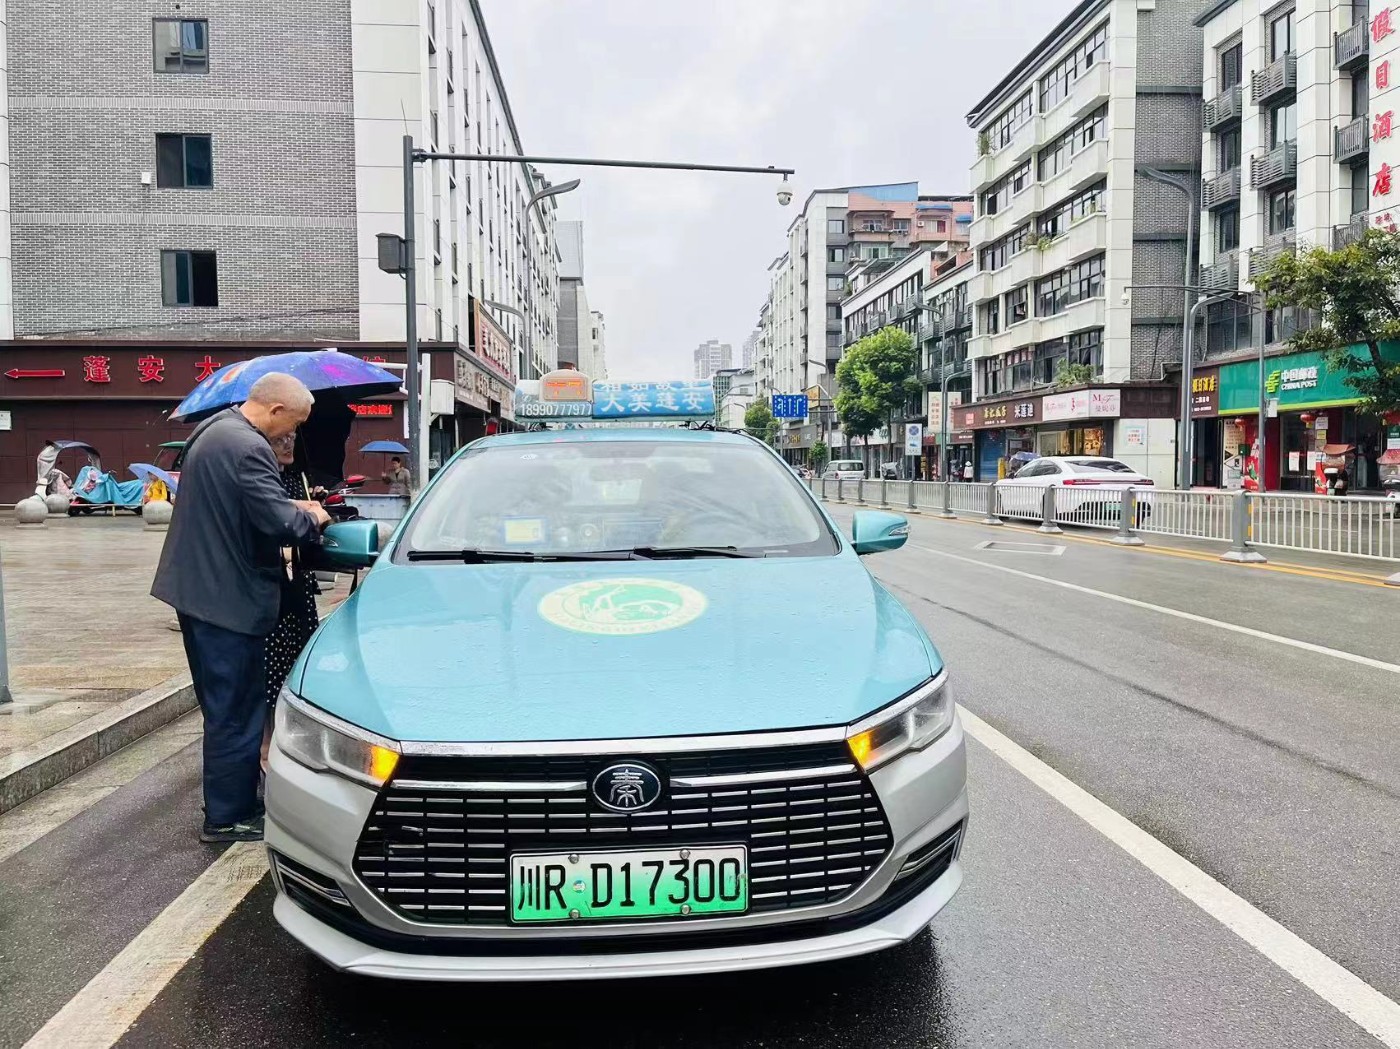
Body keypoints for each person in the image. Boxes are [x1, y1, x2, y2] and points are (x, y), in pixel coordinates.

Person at [151, 373, 330, 843]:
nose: (294, 432)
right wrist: (311, 515)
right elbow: (280, 524)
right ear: (275, 410)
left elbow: (237, 504)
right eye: (295, 422)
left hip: (200, 591)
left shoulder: (214, 430)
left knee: (226, 706)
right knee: (236, 708)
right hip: (227, 599)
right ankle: (227, 816)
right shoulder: (250, 448)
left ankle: (233, 802)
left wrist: (286, 503)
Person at [262, 433, 322, 772]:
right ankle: (265, 747)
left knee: (296, 666)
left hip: (298, 586)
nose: (289, 443)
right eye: (281, 438)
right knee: (268, 674)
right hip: (271, 589)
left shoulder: (298, 477)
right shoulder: (263, 479)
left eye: (294, 436)